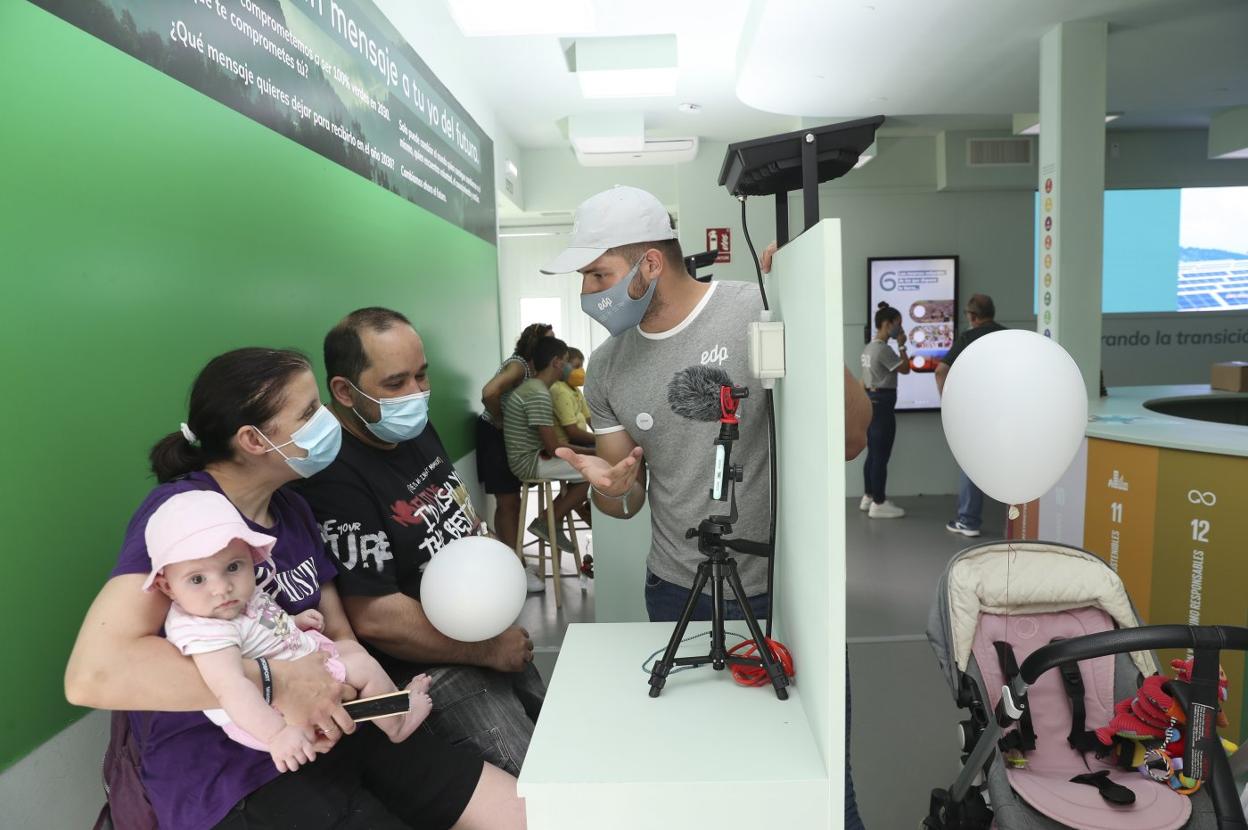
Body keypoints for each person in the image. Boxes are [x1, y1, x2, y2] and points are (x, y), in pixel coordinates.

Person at [64, 347, 525, 830]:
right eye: (308, 412)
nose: (326, 420)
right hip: (237, 770)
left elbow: (341, 638)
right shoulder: (184, 514)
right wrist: (278, 681)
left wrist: (379, 701)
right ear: (254, 440)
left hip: (340, 726)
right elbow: (93, 675)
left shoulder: (293, 510)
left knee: (524, 813)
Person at [294, 308, 546, 777]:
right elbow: (374, 615)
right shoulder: (332, 476)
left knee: (559, 745)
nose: (416, 393)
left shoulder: (411, 427)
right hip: (428, 668)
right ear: (346, 391)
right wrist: (485, 650)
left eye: (421, 375)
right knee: (529, 778)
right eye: (395, 383)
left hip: (485, 635)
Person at [146, 490, 433, 770]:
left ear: (249, 557)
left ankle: (388, 702)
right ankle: (398, 723)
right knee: (362, 666)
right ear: (167, 586)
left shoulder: (235, 598)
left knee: (349, 649)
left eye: (234, 566)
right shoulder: (206, 630)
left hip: (295, 663)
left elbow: (261, 622)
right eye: (197, 579)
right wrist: (277, 734)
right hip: (270, 713)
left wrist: (293, 623)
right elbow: (230, 689)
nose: (222, 588)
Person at [502, 336, 592, 553]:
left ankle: (554, 519)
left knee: (590, 464)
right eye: (568, 361)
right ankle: (547, 520)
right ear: (557, 362)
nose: (572, 368)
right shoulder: (538, 393)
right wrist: (595, 452)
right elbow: (554, 448)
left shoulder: (535, 388)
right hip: (528, 463)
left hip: (532, 457)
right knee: (591, 471)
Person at [477, 323, 553, 568]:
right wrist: (501, 419)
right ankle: (514, 563)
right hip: (493, 434)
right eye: (549, 340)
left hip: (505, 436)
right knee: (508, 501)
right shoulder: (519, 365)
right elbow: (489, 392)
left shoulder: (532, 368)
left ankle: (512, 555)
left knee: (513, 501)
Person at [936, 293, 1007, 538]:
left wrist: (948, 404)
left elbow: (940, 371)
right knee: (1010, 460)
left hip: (976, 410)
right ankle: (1018, 522)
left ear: (973, 316)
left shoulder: (968, 337)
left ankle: (968, 520)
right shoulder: (1006, 336)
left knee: (971, 462)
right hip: (1007, 409)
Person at [859, 301, 911, 519]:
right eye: (898, 324)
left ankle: (869, 496)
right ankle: (879, 503)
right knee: (881, 455)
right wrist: (901, 345)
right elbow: (906, 369)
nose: (900, 329)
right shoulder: (884, 350)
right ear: (887, 324)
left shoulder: (869, 348)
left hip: (871, 402)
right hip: (883, 404)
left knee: (873, 453)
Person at [550, 347, 594, 448]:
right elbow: (573, 434)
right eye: (577, 366)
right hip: (569, 446)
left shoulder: (576, 390)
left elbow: (589, 419)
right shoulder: (559, 391)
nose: (581, 371)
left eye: (582, 367)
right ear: (563, 366)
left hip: (581, 442)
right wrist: (600, 440)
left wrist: (604, 436)